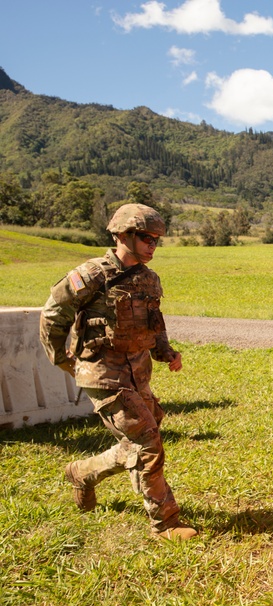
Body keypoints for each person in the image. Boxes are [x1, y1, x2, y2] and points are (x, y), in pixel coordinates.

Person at [40, 203, 196, 541]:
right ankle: (164, 522)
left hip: (137, 372)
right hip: (103, 373)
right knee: (148, 441)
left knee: (137, 440)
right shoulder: (92, 274)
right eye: (145, 237)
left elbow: (155, 319)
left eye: (157, 239)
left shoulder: (148, 277)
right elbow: (53, 315)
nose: (153, 244)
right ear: (122, 235)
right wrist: (63, 359)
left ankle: (83, 472)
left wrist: (164, 351)